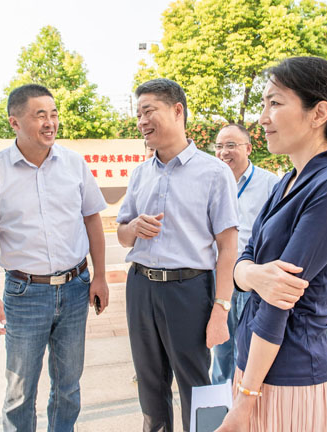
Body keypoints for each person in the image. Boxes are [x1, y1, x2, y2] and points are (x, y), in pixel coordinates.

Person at [216, 56, 327, 432]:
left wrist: (245, 400)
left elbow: (279, 304)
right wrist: (253, 275)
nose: (263, 118)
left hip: (289, 380)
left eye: (275, 103)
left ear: (318, 113)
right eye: (264, 104)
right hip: (255, 370)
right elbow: (246, 256)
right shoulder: (289, 180)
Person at [0, 84, 109, 432]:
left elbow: (92, 219)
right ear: (14, 122)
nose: (50, 122)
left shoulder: (73, 164)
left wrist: (100, 276)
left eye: (54, 114)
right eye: (40, 115)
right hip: (25, 294)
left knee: (68, 388)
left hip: (75, 287)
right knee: (19, 392)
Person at [116, 78, 239, 432]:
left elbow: (228, 247)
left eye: (148, 111)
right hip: (141, 287)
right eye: (138, 115)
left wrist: (221, 310)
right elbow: (122, 236)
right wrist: (133, 227)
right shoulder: (140, 174)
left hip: (189, 290)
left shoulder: (214, 173)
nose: (142, 121)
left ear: (177, 110)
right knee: (149, 382)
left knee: (197, 384)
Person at [211, 124, 278, 385]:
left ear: (248, 148)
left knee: (246, 347)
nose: (223, 152)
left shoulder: (270, 184)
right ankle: (221, 402)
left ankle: (245, 400)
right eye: (219, 146)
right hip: (220, 278)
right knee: (220, 346)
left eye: (231, 145)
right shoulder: (212, 181)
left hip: (251, 279)